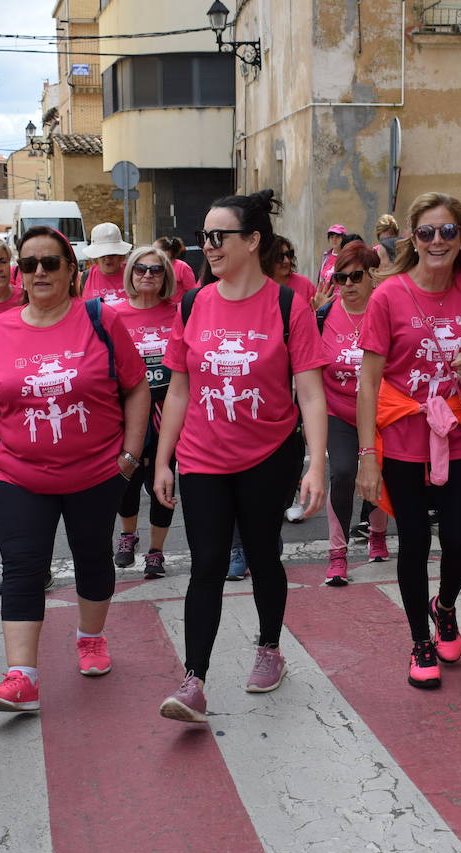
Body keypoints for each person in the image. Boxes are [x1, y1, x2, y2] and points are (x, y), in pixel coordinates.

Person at [153, 189, 328, 723]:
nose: (207, 246)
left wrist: (315, 463)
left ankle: (269, 649)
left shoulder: (286, 306)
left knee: (262, 555)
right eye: (204, 237)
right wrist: (163, 460)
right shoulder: (193, 303)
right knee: (206, 563)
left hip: (268, 455)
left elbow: (311, 392)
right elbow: (178, 390)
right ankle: (193, 681)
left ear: (253, 241)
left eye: (218, 236)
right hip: (203, 457)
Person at [0, 227, 149, 712]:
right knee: (22, 568)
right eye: (29, 265)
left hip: (95, 473)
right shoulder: (1, 330)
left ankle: (90, 639)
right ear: (19, 275)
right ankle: (21, 677)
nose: (40, 272)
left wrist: (130, 456)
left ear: (72, 270)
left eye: (51, 263)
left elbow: (136, 387)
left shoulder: (100, 319)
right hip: (20, 475)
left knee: (92, 556)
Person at [355, 191, 461, 690]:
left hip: (456, 431)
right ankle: (420, 640)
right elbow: (369, 381)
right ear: (411, 240)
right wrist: (367, 455)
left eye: (447, 232)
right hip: (401, 434)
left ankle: (446, 605)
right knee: (414, 541)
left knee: (460, 541)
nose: (437, 241)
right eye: (426, 232)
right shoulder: (388, 294)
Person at [319, 240, 390, 585]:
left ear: (371, 276)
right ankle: (338, 552)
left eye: (355, 276)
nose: (347, 285)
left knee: (380, 472)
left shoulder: (388, 311)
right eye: (340, 277)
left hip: (383, 412)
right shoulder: (324, 315)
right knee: (344, 473)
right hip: (338, 411)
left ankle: (377, 533)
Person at [109, 246, 180, 578]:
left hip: (167, 409)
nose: (147, 275)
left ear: (166, 275)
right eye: (140, 269)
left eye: (155, 270)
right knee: (127, 477)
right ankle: (127, 536)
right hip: (127, 410)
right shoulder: (113, 315)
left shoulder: (179, 313)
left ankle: (156, 551)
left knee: (161, 481)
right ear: (130, 274)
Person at [81, 222, 133, 306]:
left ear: (121, 256)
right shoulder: (85, 277)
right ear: (96, 257)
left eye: (113, 254)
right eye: (102, 255)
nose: (108, 259)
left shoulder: (134, 274)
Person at [271, 235, 316, 303]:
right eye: (280, 256)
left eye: (289, 254)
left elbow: (316, 311)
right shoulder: (259, 288)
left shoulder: (305, 284)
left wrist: (319, 309)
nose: (286, 261)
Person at [155, 235, 199, 301]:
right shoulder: (155, 266)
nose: (152, 253)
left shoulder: (182, 267)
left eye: (155, 251)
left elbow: (192, 291)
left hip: (177, 308)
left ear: (168, 253)